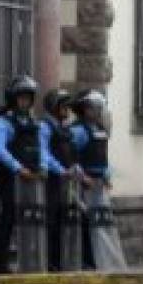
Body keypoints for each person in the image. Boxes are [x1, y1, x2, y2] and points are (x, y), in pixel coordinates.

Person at [0, 75, 47, 274]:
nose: (24, 102)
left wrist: (42, 166)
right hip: (11, 176)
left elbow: (42, 147)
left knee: (32, 217)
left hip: (32, 177)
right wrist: (17, 167)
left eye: (28, 98)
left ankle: (32, 260)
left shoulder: (33, 122)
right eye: (21, 97)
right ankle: (2, 263)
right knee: (8, 217)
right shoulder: (3, 122)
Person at [71, 88, 114, 270]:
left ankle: (101, 260)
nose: (96, 112)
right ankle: (87, 261)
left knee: (101, 222)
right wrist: (82, 176)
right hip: (84, 184)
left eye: (98, 108)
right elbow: (71, 157)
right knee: (86, 222)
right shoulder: (78, 131)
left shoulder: (99, 130)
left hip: (98, 184)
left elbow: (103, 157)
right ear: (84, 109)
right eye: (92, 108)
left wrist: (106, 175)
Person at [41, 89, 79, 272]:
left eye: (67, 106)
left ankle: (62, 259)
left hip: (66, 179)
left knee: (64, 219)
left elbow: (71, 153)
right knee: (51, 220)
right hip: (51, 180)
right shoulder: (45, 126)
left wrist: (75, 170)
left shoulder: (65, 128)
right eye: (62, 105)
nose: (66, 109)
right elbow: (44, 153)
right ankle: (50, 260)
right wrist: (60, 170)